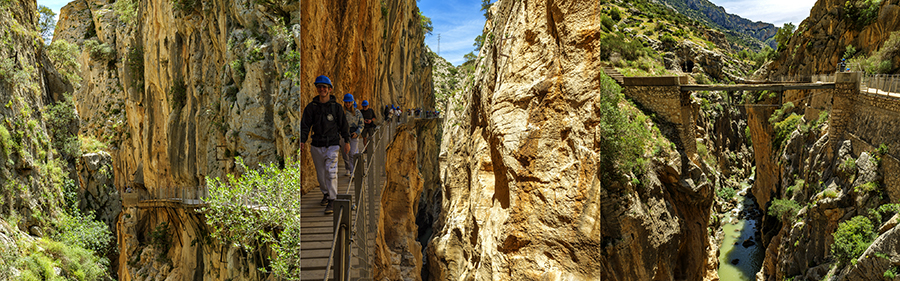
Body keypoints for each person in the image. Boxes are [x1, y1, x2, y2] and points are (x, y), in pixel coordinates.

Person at [299, 75, 350, 214]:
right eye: (319, 87)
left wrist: (347, 141)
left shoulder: (337, 108)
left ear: (330, 89)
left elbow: (343, 125)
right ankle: (326, 194)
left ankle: (333, 200)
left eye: (324, 87)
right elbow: (305, 126)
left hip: (332, 144)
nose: (322, 89)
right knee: (321, 174)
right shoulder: (311, 108)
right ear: (317, 88)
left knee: (331, 172)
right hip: (316, 145)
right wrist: (302, 140)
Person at [340, 93, 363, 177]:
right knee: (345, 153)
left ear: (352, 102)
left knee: (352, 153)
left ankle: (353, 172)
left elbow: (361, 124)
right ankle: (348, 168)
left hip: (353, 135)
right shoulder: (342, 112)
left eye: (349, 102)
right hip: (343, 135)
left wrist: (357, 133)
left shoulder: (357, 113)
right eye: (346, 102)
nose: (348, 104)